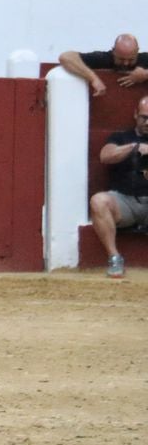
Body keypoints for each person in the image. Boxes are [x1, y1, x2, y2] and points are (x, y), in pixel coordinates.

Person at [89, 95, 148, 278]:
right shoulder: (122, 137)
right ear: (135, 115)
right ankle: (114, 257)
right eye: (144, 117)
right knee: (99, 201)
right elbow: (105, 156)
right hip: (125, 202)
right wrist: (134, 147)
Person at [58, 34, 148, 97]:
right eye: (121, 59)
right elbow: (66, 57)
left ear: (137, 51)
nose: (125, 63)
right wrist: (93, 79)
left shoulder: (144, 59)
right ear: (113, 51)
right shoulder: (103, 58)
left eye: (131, 59)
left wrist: (145, 75)